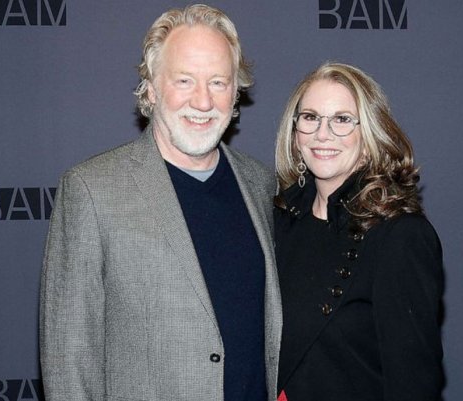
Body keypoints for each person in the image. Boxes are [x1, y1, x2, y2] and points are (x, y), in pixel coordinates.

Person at [39, 4, 281, 401]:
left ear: (235, 92)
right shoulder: (91, 190)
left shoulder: (261, 183)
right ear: (151, 89)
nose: (203, 101)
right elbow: (69, 361)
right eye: (184, 80)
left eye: (218, 82)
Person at [274, 62, 444, 401]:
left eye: (341, 119)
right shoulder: (276, 221)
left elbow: (414, 383)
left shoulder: (400, 236)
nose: (322, 134)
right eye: (310, 117)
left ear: (369, 137)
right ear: (295, 135)